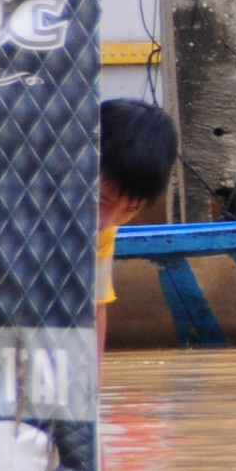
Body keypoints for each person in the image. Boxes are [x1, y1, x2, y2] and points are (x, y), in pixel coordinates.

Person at [96, 99, 178, 346]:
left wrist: (94, 385)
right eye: (101, 201)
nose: (107, 222)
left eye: (129, 210)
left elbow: (96, 304)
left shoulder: (102, 229)